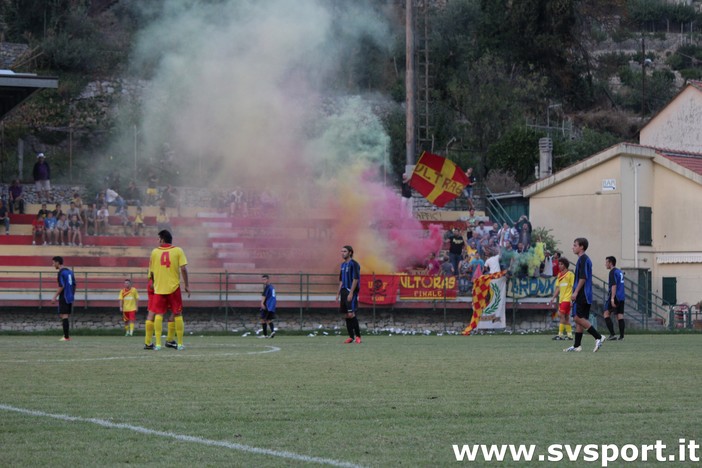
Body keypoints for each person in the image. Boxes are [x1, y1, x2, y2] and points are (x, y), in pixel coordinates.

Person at [145, 229, 189, 350]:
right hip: (174, 287)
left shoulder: (154, 252)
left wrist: (154, 283)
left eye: (158, 238)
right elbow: (184, 269)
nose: (157, 241)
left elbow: (152, 272)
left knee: (158, 314)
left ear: (162, 239)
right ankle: (179, 343)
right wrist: (187, 285)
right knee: (177, 313)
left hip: (159, 288)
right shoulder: (178, 250)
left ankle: (158, 344)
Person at [564, 238, 605, 352]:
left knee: (577, 317)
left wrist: (576, 292)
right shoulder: (584, 259)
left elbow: (583, 277)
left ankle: (598, 336)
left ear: (581, 247)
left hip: (582, 293)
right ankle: (577, 346)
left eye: (575, 245)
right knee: (580, 319)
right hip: (587, 293)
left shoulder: (583, 259)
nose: (573, 247)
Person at [336, 245, 361, 344]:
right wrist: (338, 294)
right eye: (341, 251)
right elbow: (341, 280)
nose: (342, 253)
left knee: (351, 314)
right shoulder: (342, 265)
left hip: (351, 291)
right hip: (343, 291)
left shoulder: (354, 264)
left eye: (345, 251)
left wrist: (351, 293)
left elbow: (355, 279)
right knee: (346, 315)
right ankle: (351, 337)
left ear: (350, 252)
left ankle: (358, 336)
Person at [51, 256, 76, 341]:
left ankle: (66, 337)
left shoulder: (61, 273)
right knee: (64, 315)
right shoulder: (70, 272)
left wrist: (54, 297)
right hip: (69, 296)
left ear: (58, 262)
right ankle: (66, 335)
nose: (53, 265)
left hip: (64, 296)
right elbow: (74, 284)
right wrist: (72, 295)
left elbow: (62, 286)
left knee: (64, 315)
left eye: (53, 263)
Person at [549, 257, 574, 341]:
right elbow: (558, 288)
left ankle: (560, 335)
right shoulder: (559, 275)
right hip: (561, 299)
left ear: (565, 265)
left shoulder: (570, 274)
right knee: (566, 317)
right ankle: (570, 335)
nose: (559, 266)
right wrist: (553, 297)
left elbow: (573, 287)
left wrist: (572, 299)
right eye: (559, 264)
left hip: (567, 299)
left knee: (560, 315)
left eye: (561, 264)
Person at [604, 256, 626, 341]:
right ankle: (621, 336)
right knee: (620, 315)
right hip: (621, 296)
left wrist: (612, 298)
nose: (605, 264)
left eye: (606, 262)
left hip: (615, 296)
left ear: (610, 263)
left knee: (606, 313)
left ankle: (612, 334)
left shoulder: (612, 272)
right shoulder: (619, 271)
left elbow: (614, 285)